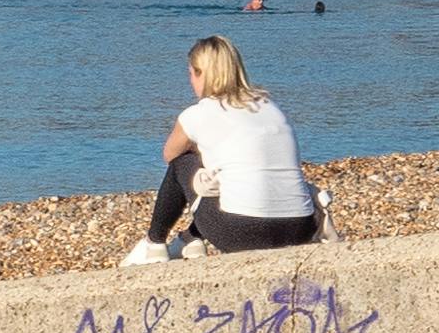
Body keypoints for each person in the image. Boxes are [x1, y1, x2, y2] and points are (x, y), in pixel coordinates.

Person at [126, 36, 321, 262]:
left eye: (191, 74)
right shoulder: (270, 106)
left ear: (200, 73)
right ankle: (190, 239)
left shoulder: (197, 114)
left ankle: (154, 243)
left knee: (183, 163)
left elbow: (170, 155)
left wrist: (202, 153)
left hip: (244, 233)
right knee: (231, 175)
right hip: (301, 228)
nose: (191, 82)